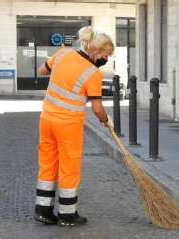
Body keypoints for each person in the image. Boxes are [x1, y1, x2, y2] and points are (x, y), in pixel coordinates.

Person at [34, 26, 114, 226]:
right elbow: (96, 108)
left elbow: (42, 70)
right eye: (107, 54)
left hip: (47, 120)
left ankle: (43, 210)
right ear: (96, 51)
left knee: (48, 163)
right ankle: (67, 214)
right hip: (68, 125)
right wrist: (106, 120)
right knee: (69, 167)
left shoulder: (63, 54)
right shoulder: (92, 73)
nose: (107, 59)